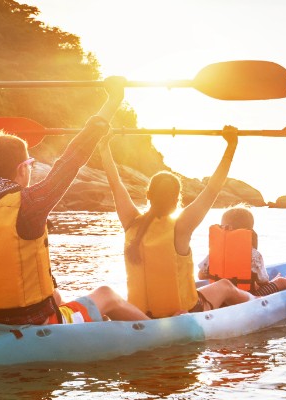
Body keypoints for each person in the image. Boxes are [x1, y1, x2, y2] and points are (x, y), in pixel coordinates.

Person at [0, 75, 148, 325]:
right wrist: (114, 100)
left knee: (56, 295)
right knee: (107, 295)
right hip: (37, 322)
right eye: (30, 163)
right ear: (22, 168)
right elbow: (73, 157)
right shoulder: (30, 203)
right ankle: (160, 332)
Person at [99, 127, 259, 318]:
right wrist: (231, 145)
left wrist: (103, 146)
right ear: (177, 199)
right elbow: (212, 189)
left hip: (138, 314)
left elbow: (115, 183)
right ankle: (259, 303)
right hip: (183, 314)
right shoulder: (181, 227)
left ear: (148, 195)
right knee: (225, 285)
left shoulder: (131, 222)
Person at [197, 205, 286, 297]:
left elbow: (200, 275)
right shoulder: (254, 255)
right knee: (281, 282)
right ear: (249, 230)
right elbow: (264, 281)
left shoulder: (214, 252)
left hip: (218, 296)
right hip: (245, 298)